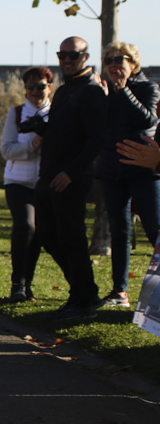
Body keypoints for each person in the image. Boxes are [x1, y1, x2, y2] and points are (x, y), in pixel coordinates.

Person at [36, 36, 107, 322]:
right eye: (62, 55)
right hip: (49, 175)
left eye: (73, 56)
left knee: (71, 238)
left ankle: (83, 300)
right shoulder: (65, 91)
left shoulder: (91, 91)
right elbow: (61, 129)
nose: (66, 60)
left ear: (85, 57)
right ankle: (84, 292)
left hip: (71, 178)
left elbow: (96, 139)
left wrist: (71, 172)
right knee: (47, 235)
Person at [95, 42, 160, 309]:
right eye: (108, 60)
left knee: (155, 231)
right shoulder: (104, 90)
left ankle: (155, 300)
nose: (113, 64)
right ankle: (119, 291)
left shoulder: (148, 87)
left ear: (133, 63)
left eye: (119, 59)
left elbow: (147, 120)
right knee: (119, 231)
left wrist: (123, 91)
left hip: (144, 170)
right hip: (112, 170)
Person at [0, 67, 53, 303]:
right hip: (17, 182)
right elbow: (6, 150)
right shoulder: (17, 113)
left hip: (45, 184)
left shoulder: (58, 113)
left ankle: (27, 284)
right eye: (30, 87)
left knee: (40, 233)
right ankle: (16, 283)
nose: (35, 91)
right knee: (26, 227)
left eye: (40, 86)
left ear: (49, 87)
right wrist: (32, 145)